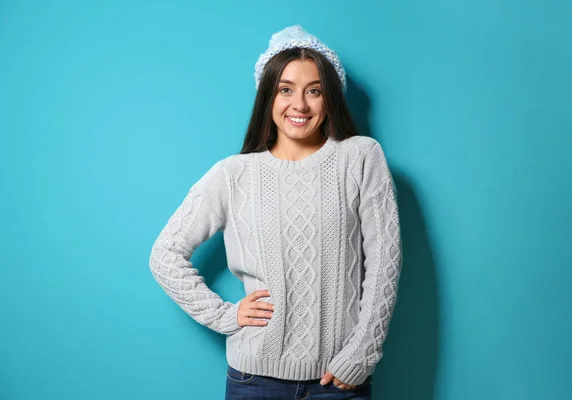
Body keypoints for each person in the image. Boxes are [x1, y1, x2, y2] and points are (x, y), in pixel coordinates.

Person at [149, 25, 402, 400]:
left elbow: (385, 262)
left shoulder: (361, 157)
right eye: (286, 89)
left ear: (329, 97)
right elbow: (164, 256)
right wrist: (225, 316)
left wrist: (363, 352)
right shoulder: (233, 174)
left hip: (340, 380)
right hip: (255, 381)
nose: (299, 104)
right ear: (268, 96)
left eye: (313, 91)